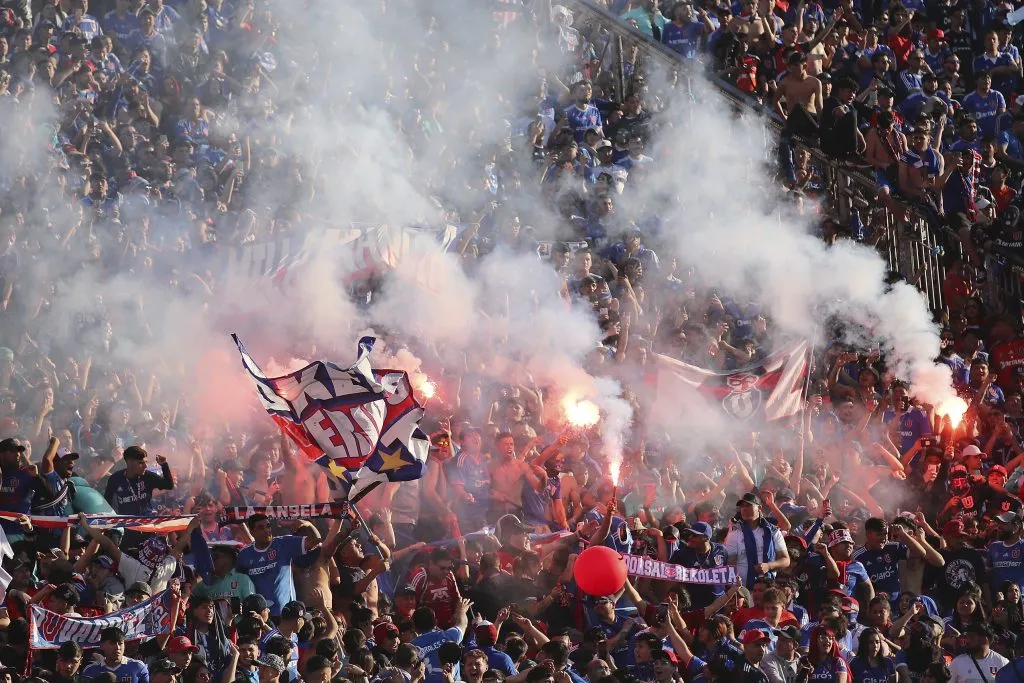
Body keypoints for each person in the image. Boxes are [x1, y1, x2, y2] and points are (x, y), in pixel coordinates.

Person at [236, 514, 318, 617]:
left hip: (287, 615)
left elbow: (315, 540)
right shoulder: (244, 554)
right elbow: (239, 582)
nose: (267, 530)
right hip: (259, 616)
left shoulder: (283, 543)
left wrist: (305, 523)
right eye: (261, 528)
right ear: (252, 532)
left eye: (268, 526)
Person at [725, 492, 791, 588]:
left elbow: (786, 560)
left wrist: (769, 566)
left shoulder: (773, 531)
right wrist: (734, 590)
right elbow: (731, 565)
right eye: (742, 506)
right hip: (743, 591)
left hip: (768, 589)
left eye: (749, 505)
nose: (744, 509)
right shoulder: (735, 533)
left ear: (759, 508)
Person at [80, 627, 149, 683]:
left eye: (120, 643)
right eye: (112, 643)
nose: (117, 647)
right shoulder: (90, 671)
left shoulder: (138, 667)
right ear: (102, 645)